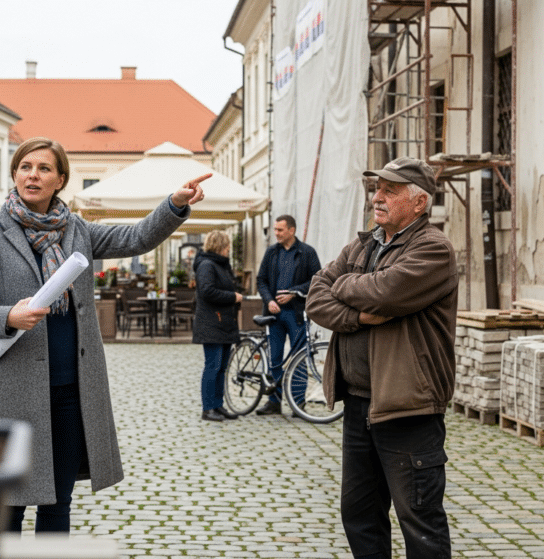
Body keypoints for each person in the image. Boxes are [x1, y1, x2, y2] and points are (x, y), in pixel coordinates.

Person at [0, 137, 209, 534]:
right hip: (14, 390)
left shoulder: (77, 231)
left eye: (43, 168)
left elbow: (136, 237)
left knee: (58, 502)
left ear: (60, 180)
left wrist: (174, 205)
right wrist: (8, 316)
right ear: (14, 174)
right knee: (10, 504)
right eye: (25, 167)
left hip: (74, 389)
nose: (32, 175)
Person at [305, 157, 458, 558]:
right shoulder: (364, 243)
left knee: (419, 519)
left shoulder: (434, 249)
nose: (378, 198)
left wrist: (345, 284)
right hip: (359, 403)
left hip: (407, 407)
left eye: (391, 191)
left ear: (419, 203)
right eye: (377, 189)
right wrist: (356, 315)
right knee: (359, 513)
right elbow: (316, 297)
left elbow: (385, 292)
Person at [254, 214, 321, 415]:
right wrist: (269, 300)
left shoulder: (307, 252)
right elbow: (261, 280)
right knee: (274, 358)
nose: (276, 233)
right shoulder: (271, 252)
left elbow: (316, 280)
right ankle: (274, 402)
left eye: (280, 230)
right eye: (275, 229)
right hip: (274, 315)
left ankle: (297, 403)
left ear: (291, 230)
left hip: (297, 314)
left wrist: (294, 293)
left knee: (299, 358)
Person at [191, 230, 242, 422]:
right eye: (227, 245)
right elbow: (207, 291)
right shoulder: (206, 265)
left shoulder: (220, 265)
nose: (229, 248)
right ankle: (208, 408)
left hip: (223, 322)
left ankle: (218, 405)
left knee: (221, 367)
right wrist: (233, 297)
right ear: (220, 246)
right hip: (212, 322)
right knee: (212, 366)